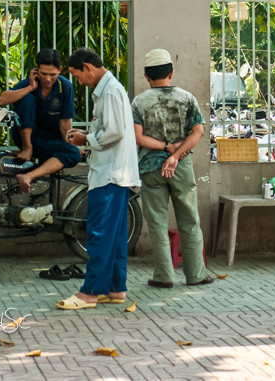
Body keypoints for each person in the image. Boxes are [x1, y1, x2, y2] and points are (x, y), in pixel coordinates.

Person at [54, 48, 140, 310]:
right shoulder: (109, 89)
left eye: (76, 74)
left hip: (110, 174)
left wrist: (86, 139)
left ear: (88, 67)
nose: (77, 81)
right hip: (115, 172)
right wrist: (88, 134)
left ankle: (90, 292)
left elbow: (113, 132)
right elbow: (110, 128)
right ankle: (115, 288)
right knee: (113, 235)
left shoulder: (111, 91)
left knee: (100, 234)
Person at [131, 48, 214, 288]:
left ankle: (163, 276)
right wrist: (176, 155)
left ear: (146, 75)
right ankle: (196, 275)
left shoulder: (139, 101)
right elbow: (198, 132)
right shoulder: (186, 98)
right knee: (189, 220)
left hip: (150, 168)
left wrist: (165, 148)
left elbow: (138, 137)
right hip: (181, 167)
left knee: (157, 222)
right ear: (171, 72)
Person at [0, 49, 80, 193]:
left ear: (60, 70)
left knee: (73, 153)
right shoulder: (28, 83)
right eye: (43, 74)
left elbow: (64, 123)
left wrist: (70, 145)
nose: (47, 79)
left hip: (48, 140)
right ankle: (28, 149)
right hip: (25, 139)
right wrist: (30, 87)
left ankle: (28, 175)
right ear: (36, 69)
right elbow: (2, 100)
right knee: (26, 98)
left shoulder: (65, 86)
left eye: (52, 74)